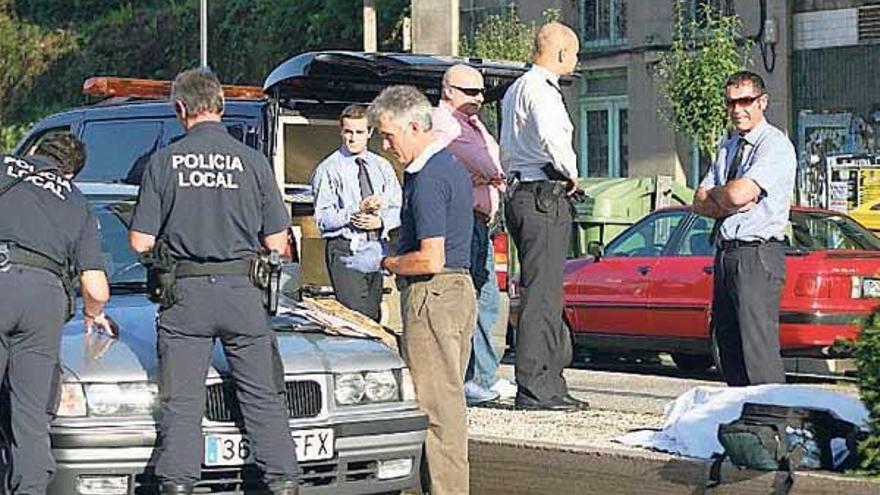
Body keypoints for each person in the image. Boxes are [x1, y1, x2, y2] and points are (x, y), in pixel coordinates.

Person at [128, 68, 300, 495]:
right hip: (243, 294)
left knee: (182, 403)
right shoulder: (254, 162)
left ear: (179, 109)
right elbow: (277, 242)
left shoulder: (164, 161)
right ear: (220, 106)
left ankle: (178, 485)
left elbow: (139, 241)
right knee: (263, 397)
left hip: (184, 297)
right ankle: (283, 480)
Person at [343, 85, 476, 495]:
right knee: (444, 405)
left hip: (433, 293)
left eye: (388, 135)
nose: (385, 145)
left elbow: (430, 258)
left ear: (416, 126)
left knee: (437, 411)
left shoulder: (431, 175)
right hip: (452, 293)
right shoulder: (446, 168)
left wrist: (383, 260)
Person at [0, 131, 113, 494]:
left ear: (32, 150)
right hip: (46, 300)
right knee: (31, 415)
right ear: (70, 174)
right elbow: (95, 286)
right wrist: (93, 316)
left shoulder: (4, 165)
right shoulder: (76, 201)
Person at [500, 21, 588, 411]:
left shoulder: (516, 87)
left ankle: (549, 381)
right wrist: (572, 173)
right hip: (543, 194)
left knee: (544, 291)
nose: (577, 60)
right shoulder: (542, 90)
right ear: (560, 53)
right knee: (543, 295)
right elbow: (553, 137)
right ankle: (537, 386)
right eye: (575, 53)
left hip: (522, 191)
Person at [693, 70, 796, 387]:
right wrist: (729, 199)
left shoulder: (773, 145)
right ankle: (740, 419)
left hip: (757, 253)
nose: (738, 109)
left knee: (757, 349)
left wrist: (725, 196)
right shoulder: (728, 145)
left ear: (762, 102)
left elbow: (737, 193)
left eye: (745, 101)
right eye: (731, 103)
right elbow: (699, 201)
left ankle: (769, 422)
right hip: (726, 253)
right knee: (728, 346)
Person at [432, 63, 516, 405]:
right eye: (470, 91)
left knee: (486, 301)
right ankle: (465, 379)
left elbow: (497, 164)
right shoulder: (444, 123)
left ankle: (482, 376)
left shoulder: (474, 124)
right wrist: (489, 175)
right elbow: (488, 165)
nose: (479, 98)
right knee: (463, 302)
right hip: (459, 221)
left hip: (481, 221)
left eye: (481, 92)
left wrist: (491, 175)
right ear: (448, 90)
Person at [311, 104, 402, 322]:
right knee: (356, 318)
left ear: (369, 133)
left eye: (359, 132)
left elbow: (399, 207)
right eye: (348, 132)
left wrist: (380, 222)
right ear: (341, 132)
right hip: (345, 248)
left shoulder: (381, 167)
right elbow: (323, 218)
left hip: (376, 248)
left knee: (373, 315)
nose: (353, 138)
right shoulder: (329, 169)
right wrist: (354, 212)